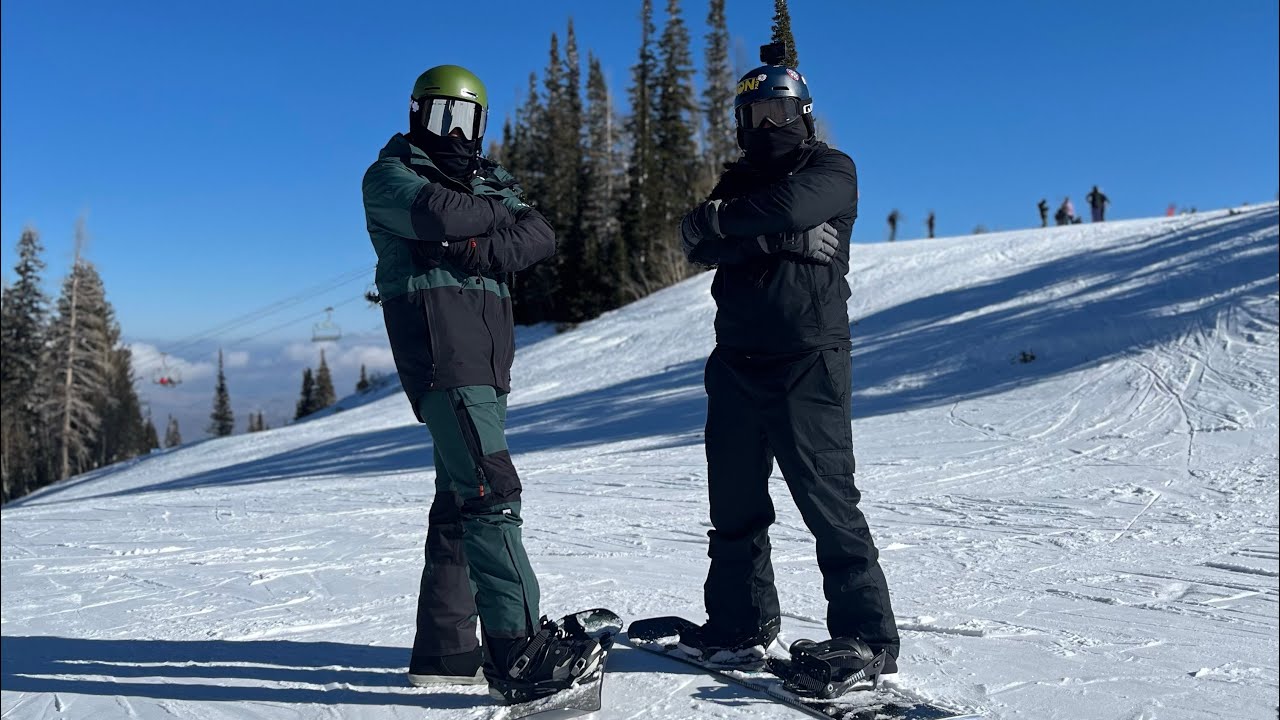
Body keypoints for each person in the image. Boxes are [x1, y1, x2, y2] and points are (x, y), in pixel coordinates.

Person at [362, 64, 602, 705]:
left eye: (463, 119)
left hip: (488, 366)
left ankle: (447, 653)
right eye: (439, 114)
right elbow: (437, 213)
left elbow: (539, 235)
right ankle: (519, 653)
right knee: (492, 493)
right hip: (444, 358)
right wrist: (493, 222)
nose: (452, 130)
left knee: (456, 505)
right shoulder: (389, 176)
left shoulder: (488, 180)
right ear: (416, 114)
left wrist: (477, 243)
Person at [677, 47, 900, 681]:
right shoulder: (734, 181)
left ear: (802, 114)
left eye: (780, 110)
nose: (769, 125)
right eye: (756, 113)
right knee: (735, 506)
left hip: (808, 361)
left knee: (827, 501)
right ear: (741, 122)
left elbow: (787, 208)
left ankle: (868, 638)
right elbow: (694, 237)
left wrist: (738, 230)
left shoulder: (833, 168)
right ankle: (738, 627)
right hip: (736, 363)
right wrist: (775, 240)